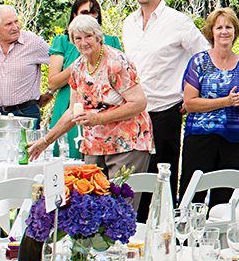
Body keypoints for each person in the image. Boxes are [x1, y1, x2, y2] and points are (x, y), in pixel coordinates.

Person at [121, 0, 209, 211]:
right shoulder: (129, 22)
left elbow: (204, 58)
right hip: (134, 113)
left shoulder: (178, 21)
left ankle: (165, 230)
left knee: (163, 175)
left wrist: (193, 94)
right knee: (136, 177)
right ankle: (137, 231)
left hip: (165, 111)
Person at [27, 15, 152, 177]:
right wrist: (44, 142)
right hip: (94, 145)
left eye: (88, 36)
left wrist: (99, 119)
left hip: (126, 144)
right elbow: (72, 111)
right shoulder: (78, 66)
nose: (83, 42)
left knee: (120, 200)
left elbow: (139, 103)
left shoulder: (116, 62)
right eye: (78, 38)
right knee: (90, 199)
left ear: (99, 37)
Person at [179, 7, 239, 203]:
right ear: (211, 32)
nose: (224, 31)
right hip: (200, 137)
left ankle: (220, 234)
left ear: (235, 32)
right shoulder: (199, 61)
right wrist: (226, 101)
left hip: (233, 140)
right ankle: (187, 234)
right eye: (219, 27)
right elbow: (189, 103)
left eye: (229, 27)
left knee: (224, 200)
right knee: (192, 197)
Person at [46, 0, 121, 159]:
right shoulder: (63, 41)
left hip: (103, 109)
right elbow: (53, 82)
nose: (90, 17)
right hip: (69, 104)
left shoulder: (111, 42)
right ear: (74, 15)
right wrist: (78, 65)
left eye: (94, 13)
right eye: (84, 12)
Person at [0, 4, 50, 120]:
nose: (15, 27)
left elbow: (60, 63)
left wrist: (50, 93)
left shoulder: (33, 42)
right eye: (8, 24)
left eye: (16, 22)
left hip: (25, 112)